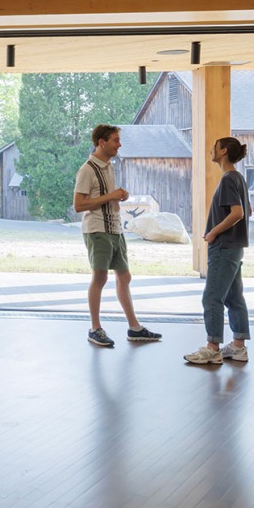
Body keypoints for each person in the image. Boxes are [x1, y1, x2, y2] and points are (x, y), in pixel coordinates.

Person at [74, 124, 161, 348]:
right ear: (101, 142)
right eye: (115, 140)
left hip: (115, 229)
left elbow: (104, 196)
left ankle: (135, 327)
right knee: (100, 278)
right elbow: (78, 205)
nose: (119, 145)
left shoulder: (108, 167)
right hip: (97, 230)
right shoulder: (87, 169)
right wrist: (110, 196)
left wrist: (118, 196)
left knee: (124, 277)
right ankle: (95, 329)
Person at [185, 136, 252, 365]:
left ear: (223, 151)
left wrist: (213, 232)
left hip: (224, 248)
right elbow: (248, 210)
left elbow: (238, 213)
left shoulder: (228, 179)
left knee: (212, 298)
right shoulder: (238, 178)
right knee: (234, 297)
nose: (211, 151)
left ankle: (212, 348)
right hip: (235, 247)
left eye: (214, 148)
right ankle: (238, 347)